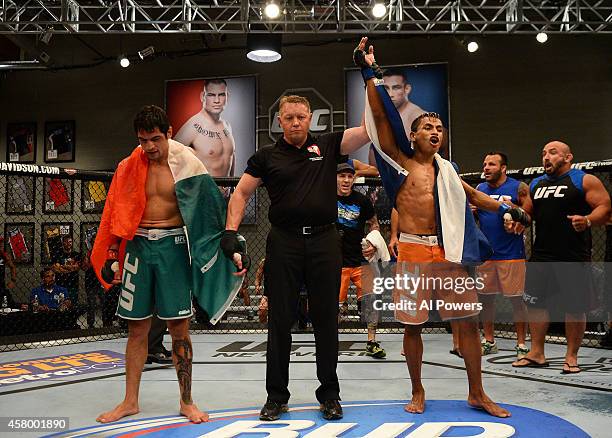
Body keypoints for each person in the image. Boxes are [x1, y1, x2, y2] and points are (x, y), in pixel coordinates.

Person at [355, 37, 528, 417]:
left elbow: (478, 198)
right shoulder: (398, 160)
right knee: (412, 326)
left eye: (439, 127)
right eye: (427, 126)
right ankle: (417, 391)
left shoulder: (447, 171)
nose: (435, 131)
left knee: (466, 322)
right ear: (413, 135)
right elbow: (382, 117)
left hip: (448, 251)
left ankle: (477, 393)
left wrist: (514, 210)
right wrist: (370, 73)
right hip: (415, 251)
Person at [221, 93, 371, 421]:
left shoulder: (329, 145)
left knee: (326, 319)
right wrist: (231, 232)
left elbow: (367, 130)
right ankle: (276, 396)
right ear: (279, 121)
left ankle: (329, 394)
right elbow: (242, 193)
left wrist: (369, 79)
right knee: (279, 320)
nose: (295, 123)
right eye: (289, 118)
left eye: (301, 117)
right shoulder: (267, 156)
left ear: (310, 118)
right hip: (284, 242)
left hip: (324, 241)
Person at [92, 105, 240, 423]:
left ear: (169, 133)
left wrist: (232, 245)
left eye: (155, 139)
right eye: (143, 140)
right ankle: (130, 401)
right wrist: (111, 255)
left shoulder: (187, 162)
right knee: (136, 329)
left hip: (174, 247)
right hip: (138, 248)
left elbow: (211, 212)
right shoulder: (130, 165)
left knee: (179, 329)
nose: (149, 147)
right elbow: (117, 211)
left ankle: (186, 401)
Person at [513, 141, 611, 373]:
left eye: (552, 153)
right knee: (534, 303)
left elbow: (605, 207)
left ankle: (571, 356)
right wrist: (517, 220)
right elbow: (527, 212)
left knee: (574, 306)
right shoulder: (537, 183)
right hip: (542, 253)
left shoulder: (583, 180)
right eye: (543, 153)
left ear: (568, 158)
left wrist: (587, 221)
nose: (546, 157)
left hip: (573, 255)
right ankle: (536, 353)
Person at [476, 152, 531, 360]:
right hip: (487, 254)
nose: (486, 168)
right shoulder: (480, 189)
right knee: (486, 299)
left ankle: (521, 344)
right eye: (485, 164)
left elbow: (528, 214)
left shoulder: (518, 188)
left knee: (517, 300)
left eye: (491, 164)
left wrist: (515, 209)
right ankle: (489, 341)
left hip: (511, 253)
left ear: (503, 168)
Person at [336, 161, 386, 358]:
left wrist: (374, 243)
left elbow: (374, 225)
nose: (346, 180)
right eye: (342, 176)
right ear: (335, 178)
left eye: (350, 176)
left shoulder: (362, 201)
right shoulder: (325, 199)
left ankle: (371, 342)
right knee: (335, 307)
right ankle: (331, 342)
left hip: (360, 261)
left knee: (371, 301)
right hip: (336, 263)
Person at [174, 79, 236, 176]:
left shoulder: (227, 125)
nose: (217, 101)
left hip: (226, 190)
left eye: (221, 95)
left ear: (227, 96)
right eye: (211, 95)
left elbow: (230, 156)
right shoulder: (193, 126)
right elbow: (170, 159)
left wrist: (233, 187)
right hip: (203, 190)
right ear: (203, 96)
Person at [51, 236, 81, 303]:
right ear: (63, 243)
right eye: (66, 242)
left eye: (70, 242)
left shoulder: (76, 255)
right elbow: (56, 268)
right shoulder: (57, 254)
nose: (68, 243)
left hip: (73, 284)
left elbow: (77, 267)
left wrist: (62, 266)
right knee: (60, 303)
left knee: (73, 303)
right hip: (60, 283)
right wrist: (71, 267)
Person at [0, 242, 17, 309]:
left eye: (1, 245)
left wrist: (13, 280)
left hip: (1, 287)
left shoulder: (4, 256)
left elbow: (12, 267)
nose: (1, 247)